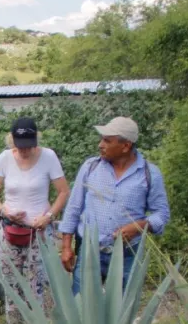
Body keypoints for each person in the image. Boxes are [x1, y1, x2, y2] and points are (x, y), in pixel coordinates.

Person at [59, 116, 170, 295]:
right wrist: (66, 246)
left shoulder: (150, 174)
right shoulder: (90, 167)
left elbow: (162, 214)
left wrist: (139, 226)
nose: (100, 145)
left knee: (120, 311)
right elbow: (73, 208)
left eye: (107, 141)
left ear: (125, 146)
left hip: (127, 255)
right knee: (81, 307)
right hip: (89, 252)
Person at [0, 117, 70, 324]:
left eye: (29, 145)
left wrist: (49, 216)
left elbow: (63, 192)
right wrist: (5, 210)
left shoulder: (49, 157)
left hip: (39, 232)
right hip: (9, 230)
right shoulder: (4, 158)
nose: (25, 150)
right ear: (12, 141)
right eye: (20, 145)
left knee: (36, 286)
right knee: (12, 286)